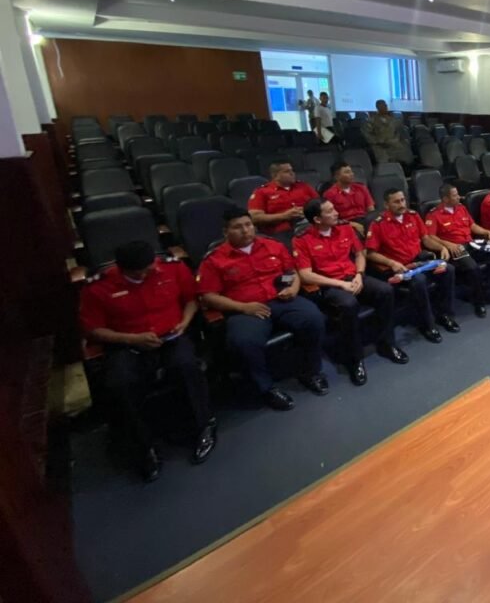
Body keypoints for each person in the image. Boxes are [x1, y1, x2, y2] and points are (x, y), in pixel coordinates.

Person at [79, 241, 215, 482]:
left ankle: (203, 425)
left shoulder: (172, 268)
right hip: (127, 343)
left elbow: (191, 300)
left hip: (172, 335)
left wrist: (184, 322)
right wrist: (132, 339)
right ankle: (144, 447)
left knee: (186, 366)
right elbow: (93, 330)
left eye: (150, 268)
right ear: (123, 270)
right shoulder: (98, 286)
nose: (148, 274)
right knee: (120, 383)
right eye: (139, 273)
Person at [197, 207, 329, 411]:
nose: (245, 230)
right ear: (225, 232)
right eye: (238, 227)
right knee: (244, 342)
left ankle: (310, 372)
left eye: (248, 225)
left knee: (314, 319)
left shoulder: (273, 245)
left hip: (282, 300)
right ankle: (266, 388)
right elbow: (208, 296)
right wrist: (243, 307)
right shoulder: (214, 260)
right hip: (246, 309)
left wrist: (293, 288)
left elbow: (291, 271)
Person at [293, 198, 406, 387]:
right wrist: (340, 284)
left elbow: (360, 254)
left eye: (334, 208)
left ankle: (387, 343)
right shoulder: (302, 239)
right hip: (329, 285)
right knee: (349, 304)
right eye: (330, 211)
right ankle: (354, 359)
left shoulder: (345, 228)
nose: (336, 213)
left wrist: (359, 275)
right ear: (317, 219)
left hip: (354, 277)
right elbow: (305, 274)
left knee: (385, 291)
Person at [364, 188, 460, 343]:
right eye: (396, 202)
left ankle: (445, 314)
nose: (402, 204)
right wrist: (391, 263)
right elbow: (370, 253)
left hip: (419, 262)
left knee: (448, 269)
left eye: (403, 200)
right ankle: (427, 324)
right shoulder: (378, 224)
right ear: (386, 204)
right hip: (399, 269)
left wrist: (441, 247)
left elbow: (425, 239)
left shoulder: (413, 216)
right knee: (419, 280)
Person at [425, 184, 490, 318]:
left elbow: (472, 225)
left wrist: (486, 232)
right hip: (456, 248)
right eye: (455, 195)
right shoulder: (434, 214)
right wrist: (447, 244)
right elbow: (430, 237)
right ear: (445, 199)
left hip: (471, 244)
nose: (459, 197)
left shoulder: (461, 208)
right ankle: (479, 302)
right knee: (473, 268)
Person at [248, 160, 320, 240]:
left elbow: (320, 204)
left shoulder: (303, 186)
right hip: (280, 233)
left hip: (308, 226)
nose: (292, 173)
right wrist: (284, 216)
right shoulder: (262, 192)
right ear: (275, 176)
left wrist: (307, 211)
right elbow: (254, 218)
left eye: (292, 170)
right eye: (287, 171)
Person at [322, 161, 375, 235]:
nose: (352, 174)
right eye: (347, 172)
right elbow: (331, 218)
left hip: (365, 220)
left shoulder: (361, 188)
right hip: (345, 224)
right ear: (337, 176)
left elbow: (371, 210)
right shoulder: (329, 194)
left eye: (351, 171)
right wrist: (351, 224)